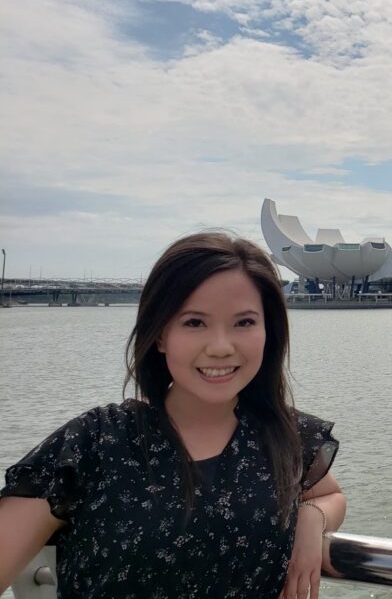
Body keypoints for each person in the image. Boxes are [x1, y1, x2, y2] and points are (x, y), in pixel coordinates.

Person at [0, 232, 346, 598]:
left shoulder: (286, 435)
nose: (220, 347)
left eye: (244, 322)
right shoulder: (96, 444)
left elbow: (329, 495)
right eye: (194, 323)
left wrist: (312, 519)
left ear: (267, 332)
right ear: (160, 335)